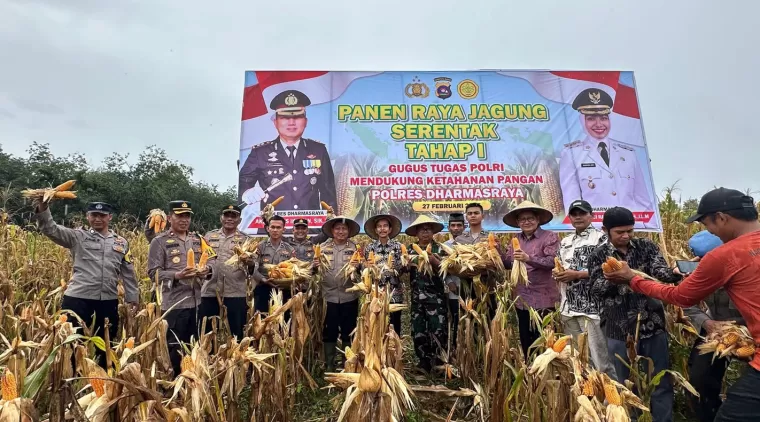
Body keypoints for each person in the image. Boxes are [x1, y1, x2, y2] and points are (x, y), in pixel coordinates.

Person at [603, 188, 760, 421]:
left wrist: (632, 279)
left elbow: (680, 297)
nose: (710, 232)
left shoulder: (725, 255)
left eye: (708, 224)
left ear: (722, 217)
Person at [587, 206, 681, 422]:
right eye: (620, 232)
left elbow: (659, 271)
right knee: (626, 385)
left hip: (652, 324)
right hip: (619, 328)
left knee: (660, 381)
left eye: (630, 230)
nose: (626, 236)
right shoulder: (598, 255)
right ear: (605, 230)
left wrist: (674, 274)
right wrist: (617, 280)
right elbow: (596, 289)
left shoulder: (646, 247)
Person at [35, 201, 139, 368]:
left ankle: (103, 382)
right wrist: (43, 208)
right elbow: (51, 229)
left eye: (102, 215)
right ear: (87, 216)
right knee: (73, 344)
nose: (98, 219)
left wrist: (132, 297)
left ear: (110, 217)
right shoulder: (77, 237)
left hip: (108, 300)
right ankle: (72, 381)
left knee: (106, 345)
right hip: (78, 299)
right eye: (94, 215)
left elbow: (128, 272)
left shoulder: (121, 243)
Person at [238, 89, 337, 233]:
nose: (291, 122)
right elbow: (243, 181)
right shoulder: (260, 153)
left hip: (310, 231)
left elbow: (329, 194)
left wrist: (330, 228)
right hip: (271, 232)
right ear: (275, 121)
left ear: (306, 121)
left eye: (297, 116)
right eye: (284, 117)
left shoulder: (318, 150)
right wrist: (247, 192)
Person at [559, 88, 653, 222]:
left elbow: (643, 200)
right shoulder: (571, 154)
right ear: (582, 121)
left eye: (604, 118)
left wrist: (645, 227)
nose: (599, 124)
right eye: (591, 118)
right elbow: (572, 202)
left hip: (628, 229)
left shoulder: (628, 153)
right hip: (594, 231)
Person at [682, 230, 745, 422]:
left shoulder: (748, 270)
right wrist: (707, 323)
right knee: (699, 379)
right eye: (701, 259)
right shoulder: (697, 271)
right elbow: (686, 302)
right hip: (714, 327)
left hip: (750, 329)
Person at [147, 200, 213, 376]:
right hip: (174, 305)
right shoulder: (159, 242)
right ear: (170, 218)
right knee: (174, 349)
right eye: (179, 216)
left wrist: (206, 271)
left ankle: (192, 383)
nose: (184, 219)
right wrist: (177, 276)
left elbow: (210, 265)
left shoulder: (198, 240)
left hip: (197, 303)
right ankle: (174, 385)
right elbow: (153, 273)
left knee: (195, 347)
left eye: (187, 216)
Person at [553, 200, 616, 377]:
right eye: (574, 214)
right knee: (579, 361)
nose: (578, 217)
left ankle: (609, 402)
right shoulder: (565, 241)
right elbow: (560, 266)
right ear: (570, 218)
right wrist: (558, 274)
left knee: (600, 361)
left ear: (592, 215)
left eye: (582, 213)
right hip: (568, 308)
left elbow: (610, 269)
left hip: (592, 309)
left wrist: (577, 275)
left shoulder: (601, 239)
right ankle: (587, 398)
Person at [502, 201, 561, 359]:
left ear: (538, 219)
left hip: (543, 298)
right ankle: (529, 373)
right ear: (517, 222)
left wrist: (528, 258)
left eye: (530, 218)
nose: (526, 222)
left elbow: (552, 262)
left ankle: (545, 375)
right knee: (526, 338)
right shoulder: (516, 239)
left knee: (543, 339)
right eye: (522, 219)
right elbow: (508, 263)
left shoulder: (550, 237)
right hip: (522, 299)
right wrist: (494, 253)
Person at [316, 216, 361, 372]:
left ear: (348, 231)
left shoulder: (355, 248)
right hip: (328, 296)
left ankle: (347, 363)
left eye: (344, 229)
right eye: (337, 229)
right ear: (332, 231)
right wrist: (314, 266)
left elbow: (364, 270)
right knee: (330, 331)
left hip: (349, 296)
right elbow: (313, 270)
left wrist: (360, 265)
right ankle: (329, 363)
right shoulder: (322, 247)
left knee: (349, 330)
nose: (341, 231)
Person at [199, 205, 252, 340]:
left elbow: (253, 267)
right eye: (226, 215)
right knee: (206, 333)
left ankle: (235, 360)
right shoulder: (209, 237)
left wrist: (248, 261)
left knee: (236, 334)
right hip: (210, 291)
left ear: (239, 220)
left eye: (233, 216)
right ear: (221, 218)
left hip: (235, 292)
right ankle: (207, 359)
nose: (229, 219)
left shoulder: (246, 240)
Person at [405, 215, 448, 373]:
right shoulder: (410, 249)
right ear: (416, 233)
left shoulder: (440, 249)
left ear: (432, 232)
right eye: (421, 229)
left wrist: (435, 262)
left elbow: (447, 270)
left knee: (437, 328)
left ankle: (438, 361)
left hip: (435, 297)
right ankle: (423, 361)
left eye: (428, 229)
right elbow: (403, 271)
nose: (425, 232)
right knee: (419, 329)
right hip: (417, 297)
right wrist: (405, 265)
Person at [454, 202, 499, 317]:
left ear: (482, 216)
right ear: (466, 217)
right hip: (466, 285)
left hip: (487, 283)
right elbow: (454, 261)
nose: (473, 215)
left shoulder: (491, 236)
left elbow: (498, 261)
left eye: (476, 213)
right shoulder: (459, 239)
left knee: (489, 315)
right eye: (469, 213)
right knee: (468, 317)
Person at [363, 214, 404, 335]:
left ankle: (394, 352)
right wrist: (367, 267)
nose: (382, 229)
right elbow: (365, 271)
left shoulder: (398, 247)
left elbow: (402, 271)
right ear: (375, 230)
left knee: (394, 328)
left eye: (385, 226)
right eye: (379, 226)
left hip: (394, 293)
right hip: (376, 293)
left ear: (390, 229)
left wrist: (396, 266)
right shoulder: (370, 248)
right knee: (377, 327)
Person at [252, 215, 297, 313]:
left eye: (278, 227)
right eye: (273, 227)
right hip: (263, 289)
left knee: (282, 323)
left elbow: (293, 270)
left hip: (283, 291)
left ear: (283, 229)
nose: (275, 230)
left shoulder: (290, 249)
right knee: (262, 322)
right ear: (268, 229)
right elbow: (253, 269)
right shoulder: (259, 247)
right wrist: (264, 279)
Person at [444, 212, 466, 347]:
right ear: (449, 227)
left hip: (469, 289)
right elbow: (441, 267)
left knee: (468, 320)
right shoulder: (445, 246)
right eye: (453, 225)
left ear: (464, 227)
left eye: (459, 225)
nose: (456, 228)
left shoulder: (470, 244)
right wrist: (450, 282)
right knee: (455, 319)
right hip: (453, 291)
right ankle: (455, 348)